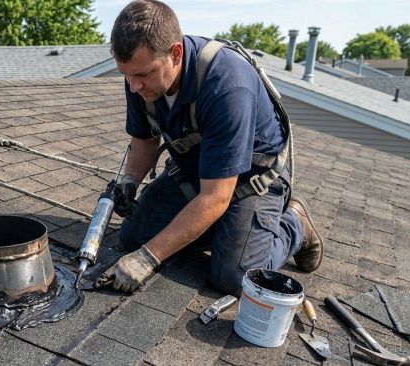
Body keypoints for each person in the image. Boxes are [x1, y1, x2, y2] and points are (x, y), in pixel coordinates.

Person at [104, 0, 323, 295]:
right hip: (196, 169)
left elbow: (217, 197)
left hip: (251, 180)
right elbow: (144, 139)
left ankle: (294, 224)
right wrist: (130, 180)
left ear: (176, 53)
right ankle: (224, 231)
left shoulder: (227, 86)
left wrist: (148, 258)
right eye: (125, 75)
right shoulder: (139, 77)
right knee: (132, 237)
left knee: (237, 278)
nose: (133, 86)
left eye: (142, 75)